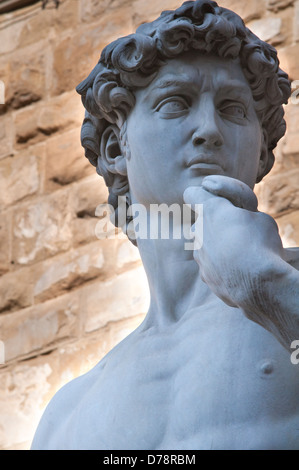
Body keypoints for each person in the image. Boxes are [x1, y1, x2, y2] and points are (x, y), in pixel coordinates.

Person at [31, 0, 299, 450]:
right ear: (116, 148)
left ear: (260, 151)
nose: (208, 129)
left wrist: (268, 287)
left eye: (233, 108)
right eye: (177, 103)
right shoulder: (68, 416)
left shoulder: (287, 292)